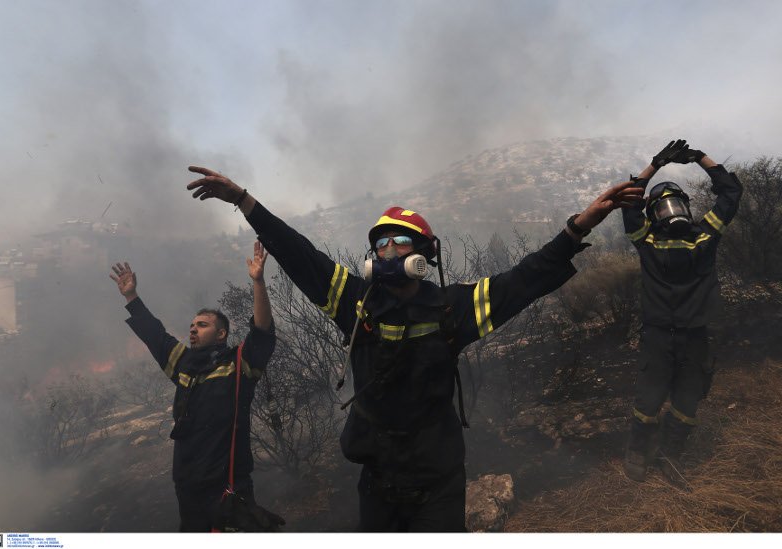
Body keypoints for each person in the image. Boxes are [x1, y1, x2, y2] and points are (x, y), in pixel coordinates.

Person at [186, 166, 643, 531]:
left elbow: (528, 277)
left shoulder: (453, 308)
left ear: (423, 254)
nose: (385, 250)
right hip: (377, 482)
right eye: (378, 244)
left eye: (396, 241)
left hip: (439, 483)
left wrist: (581, 225)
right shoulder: (355, 302)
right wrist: (243, 200)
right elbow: (297, 252)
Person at [109, 242, 282, 532]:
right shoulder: (185, 364)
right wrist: (132, 297)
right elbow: (156, 336)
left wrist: (258, 281)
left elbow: (263, 332)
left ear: (221, 334)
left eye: (201, 325)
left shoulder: (238, 364)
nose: (192, 329)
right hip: (188, 489)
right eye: (191, 325)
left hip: (228, 488)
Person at [621, 140, 743, 485]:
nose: (669, 211)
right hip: (662, 337)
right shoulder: (659, 239)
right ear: (652, 215)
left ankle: (669, 457)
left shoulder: (701, 236)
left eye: (674, 204)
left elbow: (731, 193)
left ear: (686, 207)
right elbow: (629, 201)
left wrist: (668, 164)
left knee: (687, 403)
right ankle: (638, 452)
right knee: (648, 401)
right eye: (661, 207)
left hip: (693, 337)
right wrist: (670, 162)